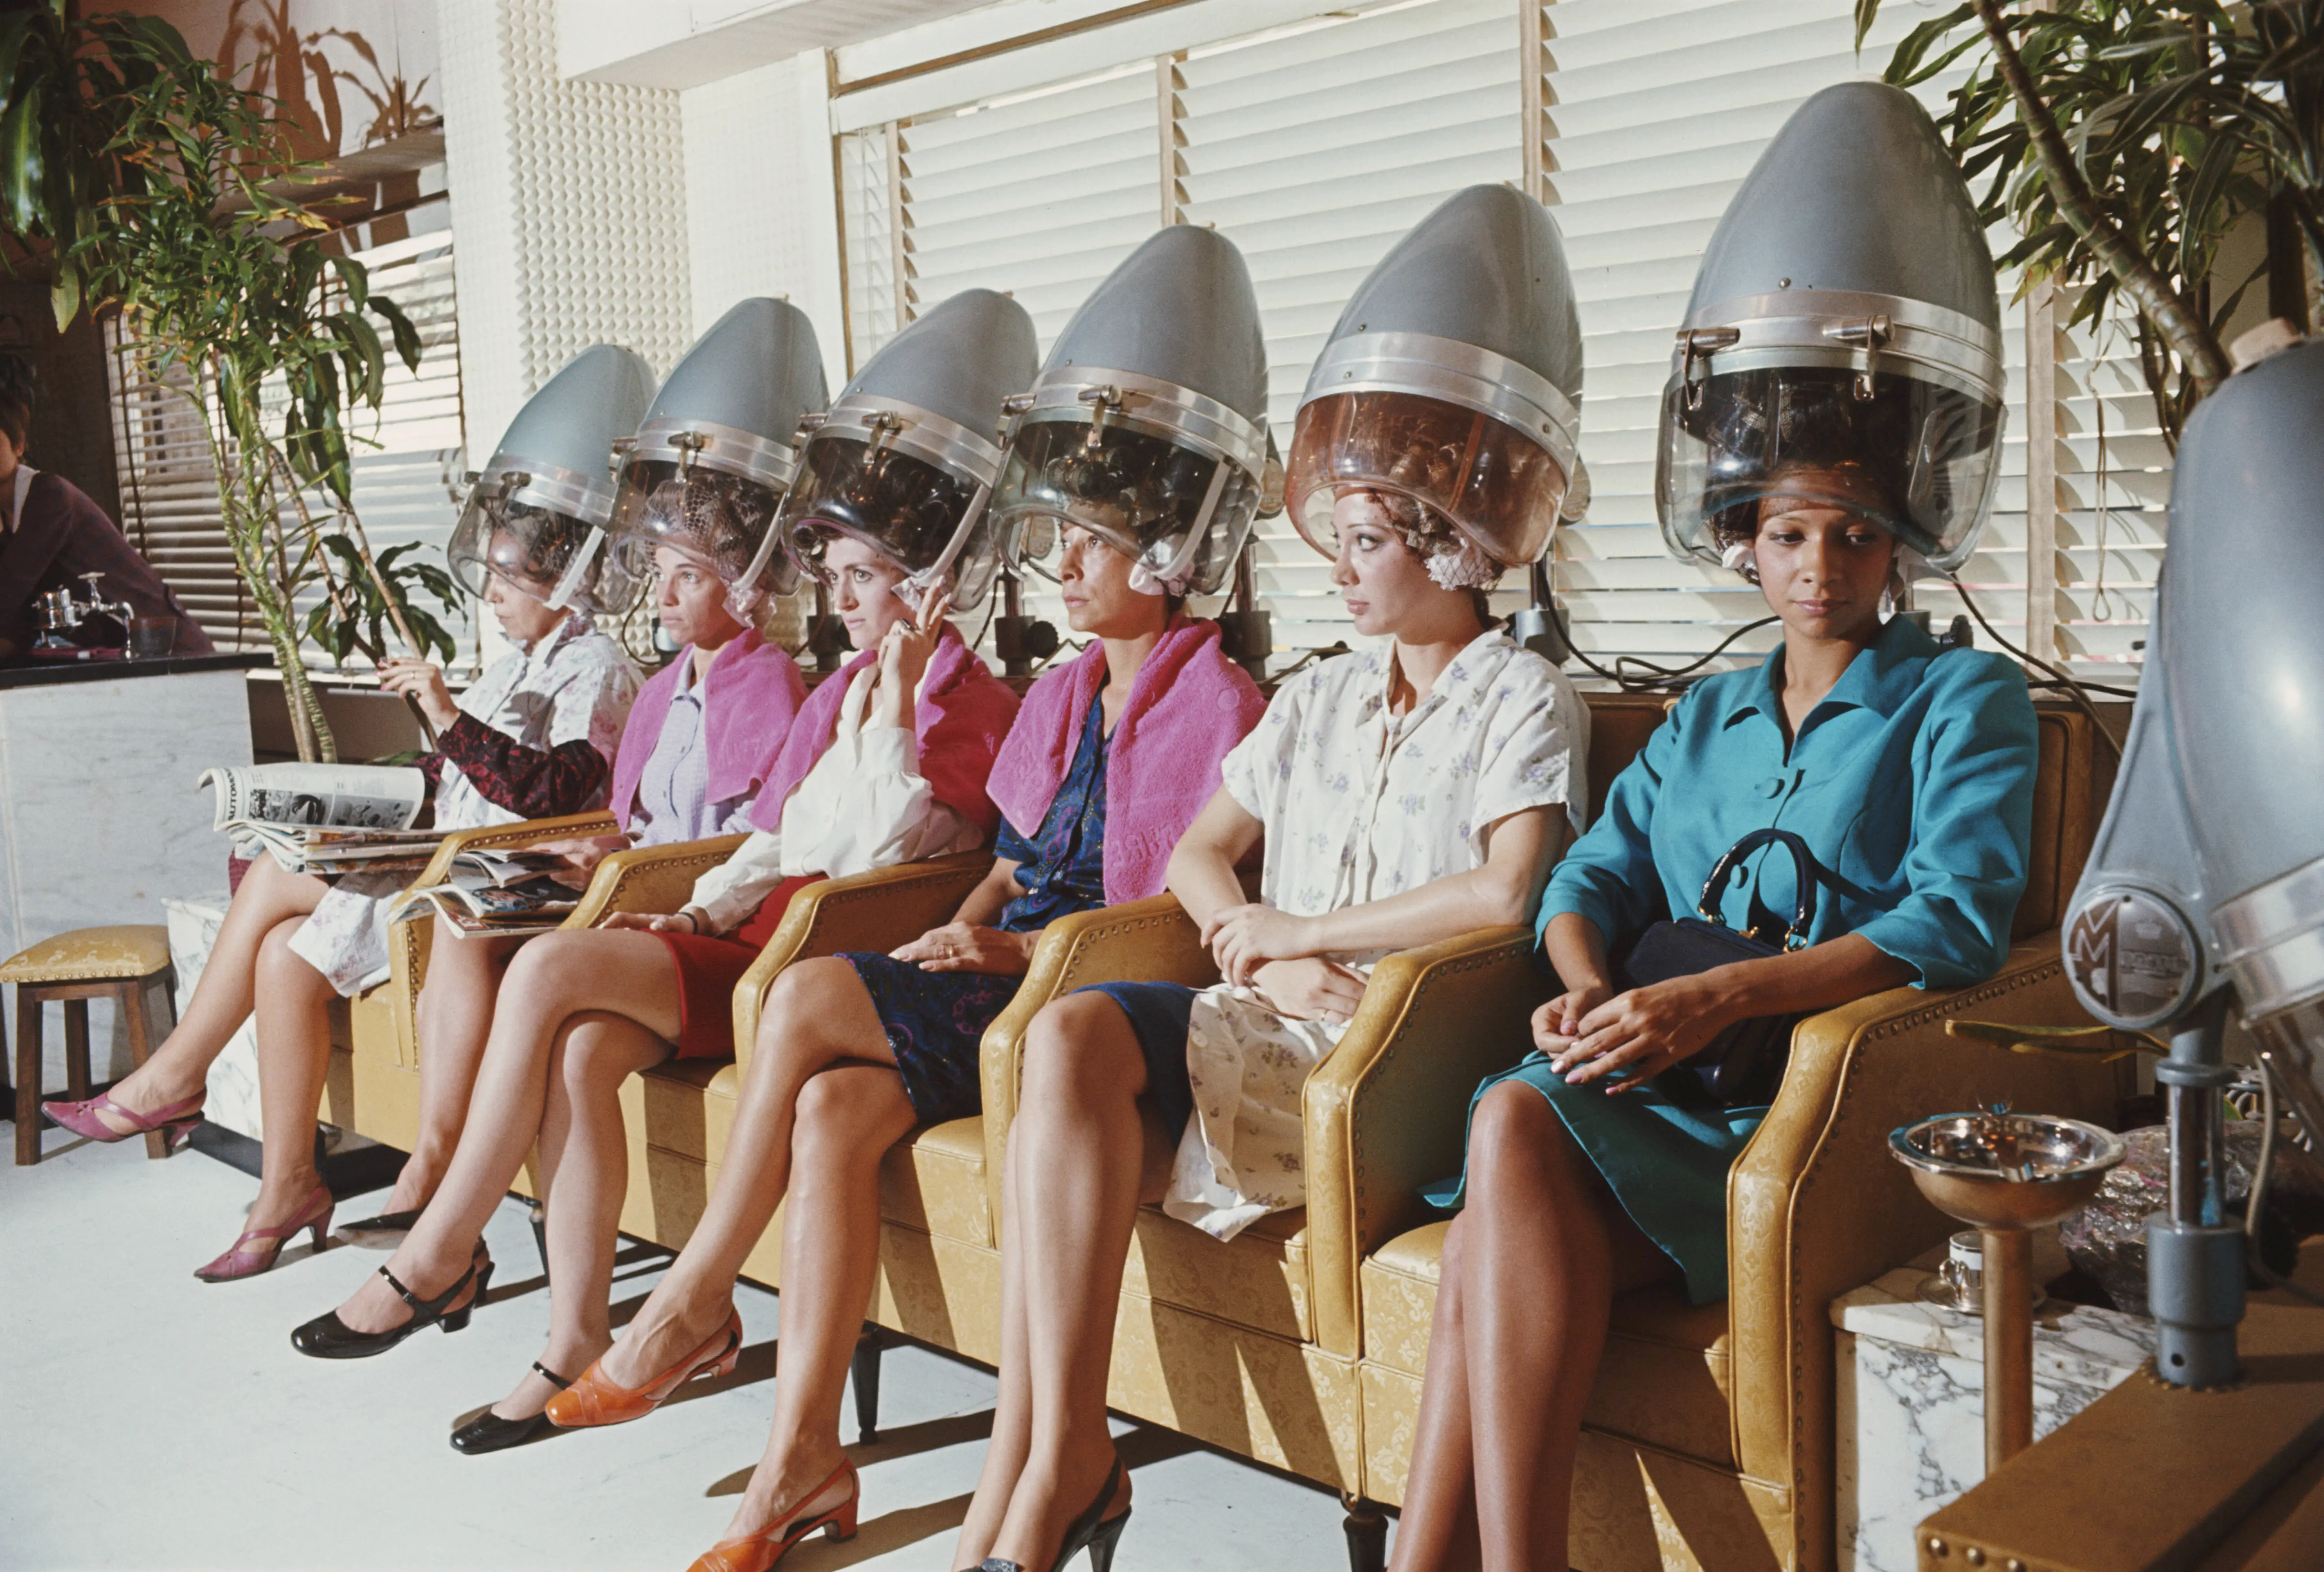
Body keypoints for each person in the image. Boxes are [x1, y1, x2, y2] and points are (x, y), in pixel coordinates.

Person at [1393, 84, 2028, 1567]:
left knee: (1503, 1141)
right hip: (1649, 1087)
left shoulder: (1964, 702)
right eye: (1792, 534)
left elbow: (1955, 919)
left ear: (1901, 541)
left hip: (1797, 1109)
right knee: (1509, 1118)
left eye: (1857, 535)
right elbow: (1581, 877)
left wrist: (1726, 994)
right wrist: (1593, 997)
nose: (1822, 568)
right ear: (1746, 541)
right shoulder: (1702, 719)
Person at [572, 236, 1276, 1572]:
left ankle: (692, 1298)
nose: (1063, 564)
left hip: (1092, 993)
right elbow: (1015, 846)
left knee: (794, 993)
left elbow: (1164, 920)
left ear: (1175, 556)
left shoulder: (1219, 701)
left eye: (1094, 540)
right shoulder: (1069, 688)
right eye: (1058, 535)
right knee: (834, 1107)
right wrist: (981, 907)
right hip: (1005, 964)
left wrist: (1003, 937)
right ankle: (795, 1467)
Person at [284, 292, 1042, 1473]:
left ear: (928, 581)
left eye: (862, 577)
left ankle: (439, 1251)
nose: (840, 601)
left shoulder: (968, 705)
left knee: (544, 967)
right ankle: (570, 1336)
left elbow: (898, 847)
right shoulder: (841, 694)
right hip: (750, 934)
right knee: (580, 1049)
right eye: (832, 574)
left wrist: (895, 705)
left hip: (811, 959)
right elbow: (777, 832)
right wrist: (701, 902)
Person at [958, 185, 1595, 1572]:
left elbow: (1503, 894)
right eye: (1343, 538)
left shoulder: (1522, 698)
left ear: (1452, 544)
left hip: (1402, 1041)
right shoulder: (1311, 694)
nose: (1343, 568)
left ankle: (1044, 1482)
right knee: (1065, 1031)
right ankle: (1067, 1443)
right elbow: (1197, 850)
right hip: (1274, 1006)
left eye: (1370, 541)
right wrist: (1249, 941)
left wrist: (1308, 931)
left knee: (1087, 1058)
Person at [41, 345, 652, 1282]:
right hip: (446, 843)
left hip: (493, 865)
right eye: (488, 575)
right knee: (284, 959)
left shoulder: (596, 666)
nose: (488, 595)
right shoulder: (516, 661)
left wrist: (446, 714)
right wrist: (357, 797)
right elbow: (456, 765)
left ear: (562, 578)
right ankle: (285, 1183)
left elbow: (558, 787)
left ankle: (174, 1078)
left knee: (281, 890)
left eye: (507, 578)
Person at [336, 472, 807, 1237]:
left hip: (686, 905)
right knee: (461, 920)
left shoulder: (768, 684)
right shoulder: (660, 689)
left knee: (524, 968)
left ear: (746, 585)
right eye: (659, 575)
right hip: (625, 881)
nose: (662, 597)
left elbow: (755, 843)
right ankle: (430, 1160)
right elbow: (630, 817)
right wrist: (592, 845)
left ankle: (444, 1205)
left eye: (688, 577)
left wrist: (626, 865)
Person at [0, 360, 212, 657]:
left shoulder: (48, 495)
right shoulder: (8, 516)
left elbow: (9, 588)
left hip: (165, 646)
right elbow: (15, 620)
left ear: (19, 445)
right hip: (117, 655)